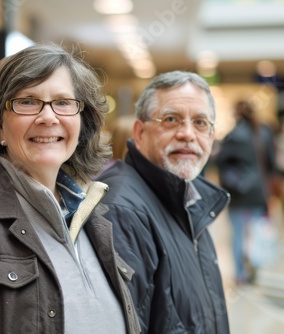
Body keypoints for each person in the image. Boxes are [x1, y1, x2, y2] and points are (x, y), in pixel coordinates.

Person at [0, 43, 141, 334]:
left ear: (82, 122)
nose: (48, 117)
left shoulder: (90, 211)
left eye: (63, 102)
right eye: (27, 102)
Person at [97, 71, 230, 333]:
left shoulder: (189, 198)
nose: (188, 134)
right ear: (140, 132)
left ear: (212, 136)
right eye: (171, 119)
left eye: (201, 122)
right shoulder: (122, 212)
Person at [216, 100, 280, 285]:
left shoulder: (233, 136)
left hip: (238, 195)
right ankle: (254, 269)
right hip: (259, 193)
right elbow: (271, 165)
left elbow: (222, 165)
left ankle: (240, 273)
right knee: (257, 232)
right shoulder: (264, 133)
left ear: (236, 113)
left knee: (238, 234)